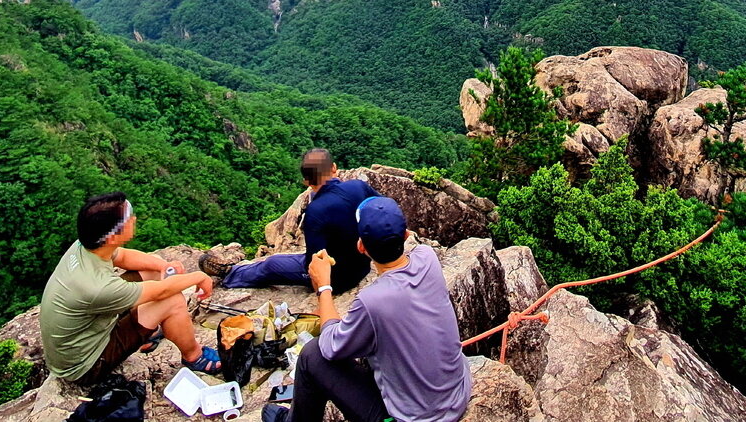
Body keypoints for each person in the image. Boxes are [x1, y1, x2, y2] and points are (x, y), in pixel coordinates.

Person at [263, 196, 472, 422]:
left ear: (361, 246)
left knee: (312, 355)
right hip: (457, 394)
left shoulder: (372, 301)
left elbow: (331, 345)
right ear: (405, 235)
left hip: (414, 418)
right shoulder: (427, 257)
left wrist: (323, 285)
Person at [39, 192, 221, 384]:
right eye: (128, 218)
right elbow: (162, 292)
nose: (133, 219)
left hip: (89, 328)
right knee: (172, 301)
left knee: (153, 268)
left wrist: (162, 266)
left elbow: (123, 257)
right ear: (111, 237)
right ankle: (194, 356)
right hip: (86, 365)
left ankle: (146, 334)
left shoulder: (84, 246)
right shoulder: (98, 287)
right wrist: (198, 276)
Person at [212, 148, 380, 292]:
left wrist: (322, 295)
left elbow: (313, 265)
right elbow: (385, 209)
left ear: (306, 182)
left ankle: (229, 275)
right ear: (334, 168)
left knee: (271, 264)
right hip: (362, 266)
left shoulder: (316, 211)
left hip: (338, 279)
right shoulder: (359, 186)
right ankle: (235, 270)